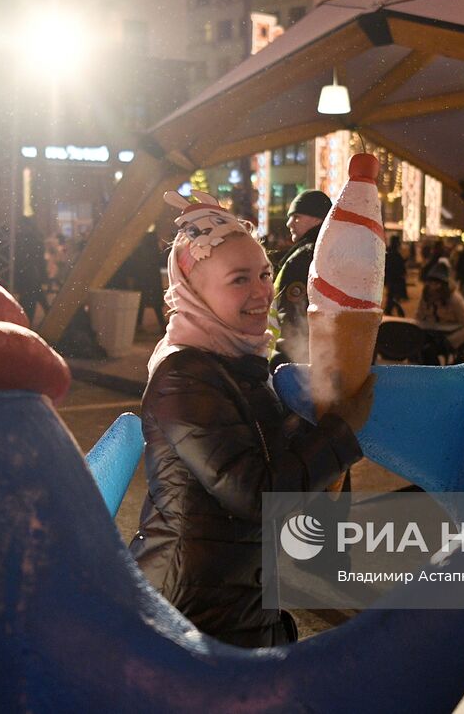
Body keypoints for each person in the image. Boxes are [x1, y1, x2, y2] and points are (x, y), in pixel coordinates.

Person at [132, 191, 371, 648]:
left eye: (264, 274)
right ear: (194, 291)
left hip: (237, 593)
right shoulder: (184, 377)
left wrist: (313, 410)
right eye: (239, 279)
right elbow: (257, 493)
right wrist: (338, 432)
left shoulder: (238, 363)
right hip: (191, 609)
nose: (263, 291)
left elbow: (271, 459)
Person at [269, 189, 332, 368]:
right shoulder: (332, 251)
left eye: (296, 217)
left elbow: (294, 316)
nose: (289, 223)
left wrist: (283, 360)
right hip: (326, 356)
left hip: (297, 360)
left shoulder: (305, 256)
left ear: (317, 218)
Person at [415, 258, 464, 365]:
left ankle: (435, 375)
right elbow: (418, 317)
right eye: (430, 283)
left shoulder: (455, 299)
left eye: (436, 284)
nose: (432, 287)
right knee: (417, 348)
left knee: (429, 351)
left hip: (449, 337)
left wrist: (450, 341)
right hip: (431, 334)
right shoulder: (426, 296)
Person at [383, 234, 408, 316]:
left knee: (392, 295)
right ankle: (392, 310)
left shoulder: (389, 252)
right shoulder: (396, 254)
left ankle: (390, 309)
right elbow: (399, 265)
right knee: (393, 296)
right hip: (396, 278)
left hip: (390, 277)